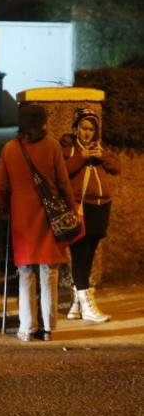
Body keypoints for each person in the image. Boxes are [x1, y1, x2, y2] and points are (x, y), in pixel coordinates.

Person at [0, 104, 77, 342]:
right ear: (42, 123)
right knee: (49, 272)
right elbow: (63, 182)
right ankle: (48, 328)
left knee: (26, 273)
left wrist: (5, 206)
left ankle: (27, 328)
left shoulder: (10, 149)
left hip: (21, 217)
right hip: (49, 218)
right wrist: (70, 207)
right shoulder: (51, 147)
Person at [60, 108, 120, 323]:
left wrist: (101, 155)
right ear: (76, 128)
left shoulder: (99, 147)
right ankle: (86, 305)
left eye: (91, 129)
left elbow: (116, 167)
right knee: (80, 254)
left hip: (101, 205)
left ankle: (76, 306)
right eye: (84, 128)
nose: (88, 133)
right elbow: (60, 171)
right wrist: (82, 158)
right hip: (80, 206)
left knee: (90, 253)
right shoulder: (68, 147)